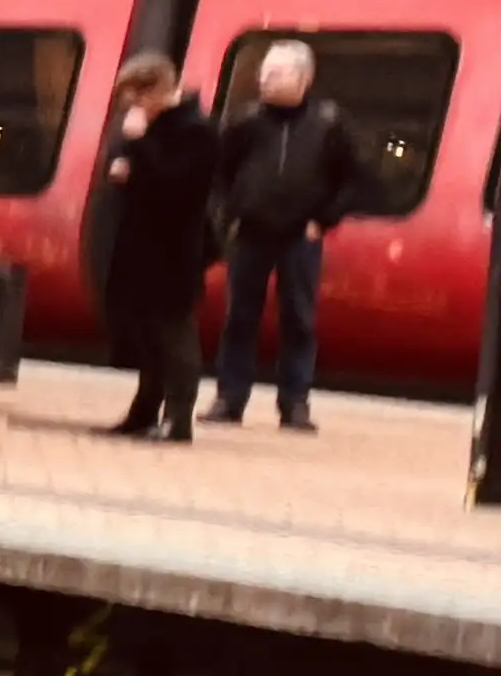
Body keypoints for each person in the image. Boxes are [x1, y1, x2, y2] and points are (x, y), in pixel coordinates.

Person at [209, 36, 357, 434]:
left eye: (276, 72)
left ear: (304, 78)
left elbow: (350, 180)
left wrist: (323, 221)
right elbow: (220, 173)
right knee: (239, 316)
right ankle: (229, 398)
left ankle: (295, 403)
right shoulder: (245, 122)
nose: (264, 79)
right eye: (264, 71)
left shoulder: (328, 123)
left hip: (301, 235)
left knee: (299, 319)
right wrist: (228, 216)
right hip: (251, 233)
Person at [91, 52, 221, 445]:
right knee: (146, 334)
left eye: (137, 98)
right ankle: (144, 410)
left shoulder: (197, 131)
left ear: (159, 91)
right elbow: (134, 167)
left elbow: (177, 183)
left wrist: (139, 146)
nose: (132, 108)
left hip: (174, 251)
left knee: (173, 335)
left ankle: (178, 419)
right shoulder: (148, 127)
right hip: (140, 247)